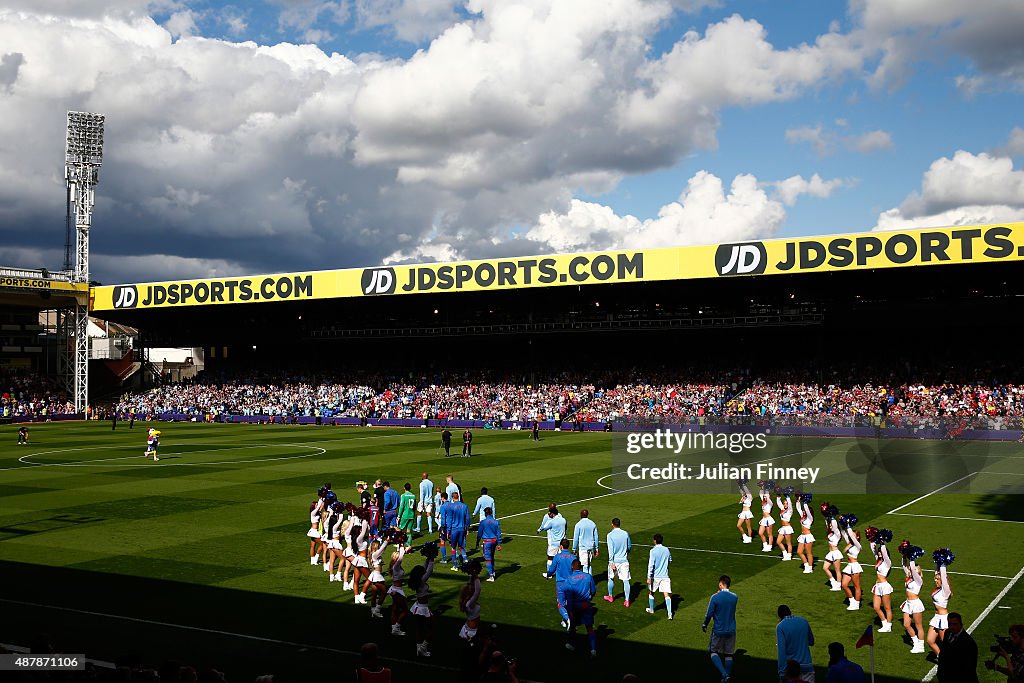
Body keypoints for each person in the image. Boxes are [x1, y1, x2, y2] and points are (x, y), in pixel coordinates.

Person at [703, 575, 738, 683]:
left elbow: (709, 614)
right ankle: (726, 677)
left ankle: (724, 674)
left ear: (721, 584)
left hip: (718, 630)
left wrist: (705, 624)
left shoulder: (715, 597)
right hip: (731, 630)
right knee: (728, 654)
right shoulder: (735, 597)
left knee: (713, 651)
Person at [563, 559, 598, 657]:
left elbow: (568, 596)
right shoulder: (588, 577)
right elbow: (593, 590)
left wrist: (569, 610)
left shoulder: (568, 579)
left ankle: (572, 644)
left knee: (573, 626)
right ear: (581, 567)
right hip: (586, 605)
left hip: (574, 606)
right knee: (589, 628)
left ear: (572, 567)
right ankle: (593, 649)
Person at [937, 613, 980, 683]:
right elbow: (943, 654)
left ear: (961, 624)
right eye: (949, 624)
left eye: (955, 624)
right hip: (946, 677)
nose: (951, 627)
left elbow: (969, 667)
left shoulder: (968, 642)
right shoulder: (947, 633)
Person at [776, 604, 814, 682]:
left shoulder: (780, 626)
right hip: (807, 666)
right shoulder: (804, 621)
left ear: (779, 616)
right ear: (790, 612)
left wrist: (782, 673)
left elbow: (781, 651)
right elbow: (811, 641)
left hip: (792, 670)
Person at [927, 562, 953, 659]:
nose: (935, 580)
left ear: (943, 580)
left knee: (945, 643)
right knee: (930, 640)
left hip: (943, 619)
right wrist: (937, 562)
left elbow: (943, 575)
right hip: (936, 617)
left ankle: (950, 662)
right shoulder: (938, 589)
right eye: (935, 579)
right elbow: (937, 573)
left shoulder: (946, 591)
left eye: (937, 579)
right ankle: (941, 659)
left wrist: (943, 566)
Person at [604, 517, 632, 606]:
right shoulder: (625, 533)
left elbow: (610, 550)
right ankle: (627, 600)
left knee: (611, 578)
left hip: (614, 561)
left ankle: (610, 596)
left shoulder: (610, 535)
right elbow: (629, 546)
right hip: (624, 560)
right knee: (626, 580)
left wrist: (611, 562)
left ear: (612, 524)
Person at [548, 538, 576, 626]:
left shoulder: (558, 557)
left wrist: (548, 574)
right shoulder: (573, 557)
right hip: (571, 584)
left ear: (561, 546)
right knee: (569, 602)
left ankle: (567, 619)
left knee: (560, 603)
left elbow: (551, 569)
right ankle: (565, 620)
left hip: (561, 584)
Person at [645, 533, 673, 620]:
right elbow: (670, 560)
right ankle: (669, 613)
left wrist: (649, 577)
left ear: (654, 541)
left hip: (655, 577)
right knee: (666, 594)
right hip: (665, 576)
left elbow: (651, 565)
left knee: (651, 592)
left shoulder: (652, 551)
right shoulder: (666, 550)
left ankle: (652, 609)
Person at [441, 491, 470, 570]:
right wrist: (467, 529)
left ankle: (455, 566)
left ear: (453, 498)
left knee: (453, 547)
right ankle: (466, 561)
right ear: (458, 497)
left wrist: (448, 530)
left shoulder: (451, 507)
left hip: (454, 529)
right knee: (461, 547)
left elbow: (449, 519)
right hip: (462, 529)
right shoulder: (464, 506)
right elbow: (467, 519)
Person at [538, 505, 567, 577]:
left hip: (554, 543)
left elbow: (544, 528)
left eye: (549, 513)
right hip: (562, 543)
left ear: (552, 514)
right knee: (562, 559)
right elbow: (565, 528)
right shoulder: (563, 520)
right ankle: (561, 573)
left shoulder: (552, 521)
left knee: (550, 558)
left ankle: (549, 574)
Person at [572, 509, 599, 575]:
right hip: (591, 547)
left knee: (584, 566)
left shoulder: (578, 524)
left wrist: (574, 549)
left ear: (580, 515)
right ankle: (590, 582)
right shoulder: (592, 523)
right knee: (589, 565)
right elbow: (596, 537)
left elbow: (576, 538)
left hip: (583, 548)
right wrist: (596, 548)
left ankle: (586, 583)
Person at [478, 507, 502, 581]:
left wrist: (477, 541)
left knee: (487, 558)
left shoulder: (483, 522)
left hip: (487, 542)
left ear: (485, 513)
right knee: (492, 556)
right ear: (491, 513)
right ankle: (493, 571)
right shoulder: (496, 522)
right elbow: (499, 533)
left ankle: (491, 576)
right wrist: (499, 544)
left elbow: (479, 533)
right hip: (494, 541)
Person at [736, 479, 754, 544]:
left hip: (747, 513)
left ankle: (749, 538)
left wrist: (743, 484)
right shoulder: (744, 497)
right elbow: (741, 490)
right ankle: (744, 536)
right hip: (743, 513)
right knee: (738, 525)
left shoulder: (750, 498)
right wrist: (739, 484)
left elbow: (745, 489)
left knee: (748, 527)